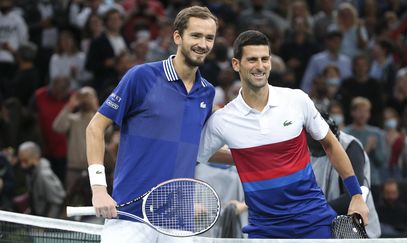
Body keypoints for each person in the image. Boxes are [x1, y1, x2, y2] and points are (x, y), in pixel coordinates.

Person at [197, 30, 368, 239]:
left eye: (264, 59)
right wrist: (243, 158)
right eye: (252, 59)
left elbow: (330, 144)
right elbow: (198, 155)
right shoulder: (222, 120)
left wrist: (356, 195)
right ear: (236, 64)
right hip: (264, 230)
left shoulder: (297, 100)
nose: (260, 66)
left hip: (314, 222)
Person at [85, 6, 218, 243]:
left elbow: (199, 148)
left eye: (209, 38)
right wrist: (98, 189)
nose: (203, 44)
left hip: (179, 224)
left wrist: (255, 154)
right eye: (196, 35)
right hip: (129, 217)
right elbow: (95, 128)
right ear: (177, 36)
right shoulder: (141, 77)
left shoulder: (207, 92)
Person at [309, 110, 381, 238]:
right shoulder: (306, 146)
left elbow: (351, 197)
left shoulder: (351, 146)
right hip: (324, 225)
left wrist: (312, 214)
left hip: (358, 228)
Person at [17, 141, 65, 218]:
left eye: (25, 161)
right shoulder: (31, 172)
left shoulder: (44, 175)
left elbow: (57, 201)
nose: (23, 165)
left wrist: (47, 224)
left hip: (48, 220)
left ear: (36, 158)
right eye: (21, 161)